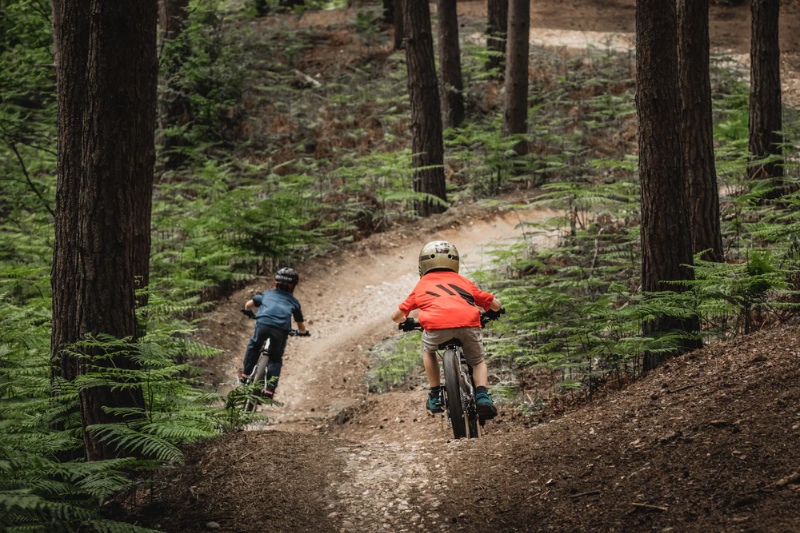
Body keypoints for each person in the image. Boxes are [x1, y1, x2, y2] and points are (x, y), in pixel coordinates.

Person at [391, 240, 503, 419]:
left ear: (423, 264)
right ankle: (482, 395)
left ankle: (435, 394)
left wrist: (407, 321)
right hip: (468, 324)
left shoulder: (422, 284)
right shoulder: (463, 281)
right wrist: (496, 309)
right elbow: (492, 303)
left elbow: (397, 316)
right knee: (477, 361)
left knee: (429, 351)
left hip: (436, 328)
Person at [240, 267, 309, 399]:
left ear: (275, 283)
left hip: (263, 323)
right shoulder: (294, 302)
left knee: (254, 346)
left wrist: (250, 314)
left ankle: (245, 374)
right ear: (293, 286)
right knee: (275, 359)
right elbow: (300, 323)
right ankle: (269, 391)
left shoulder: (266, 295)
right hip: (281, 329)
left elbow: (248, 305)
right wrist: (303, 332)